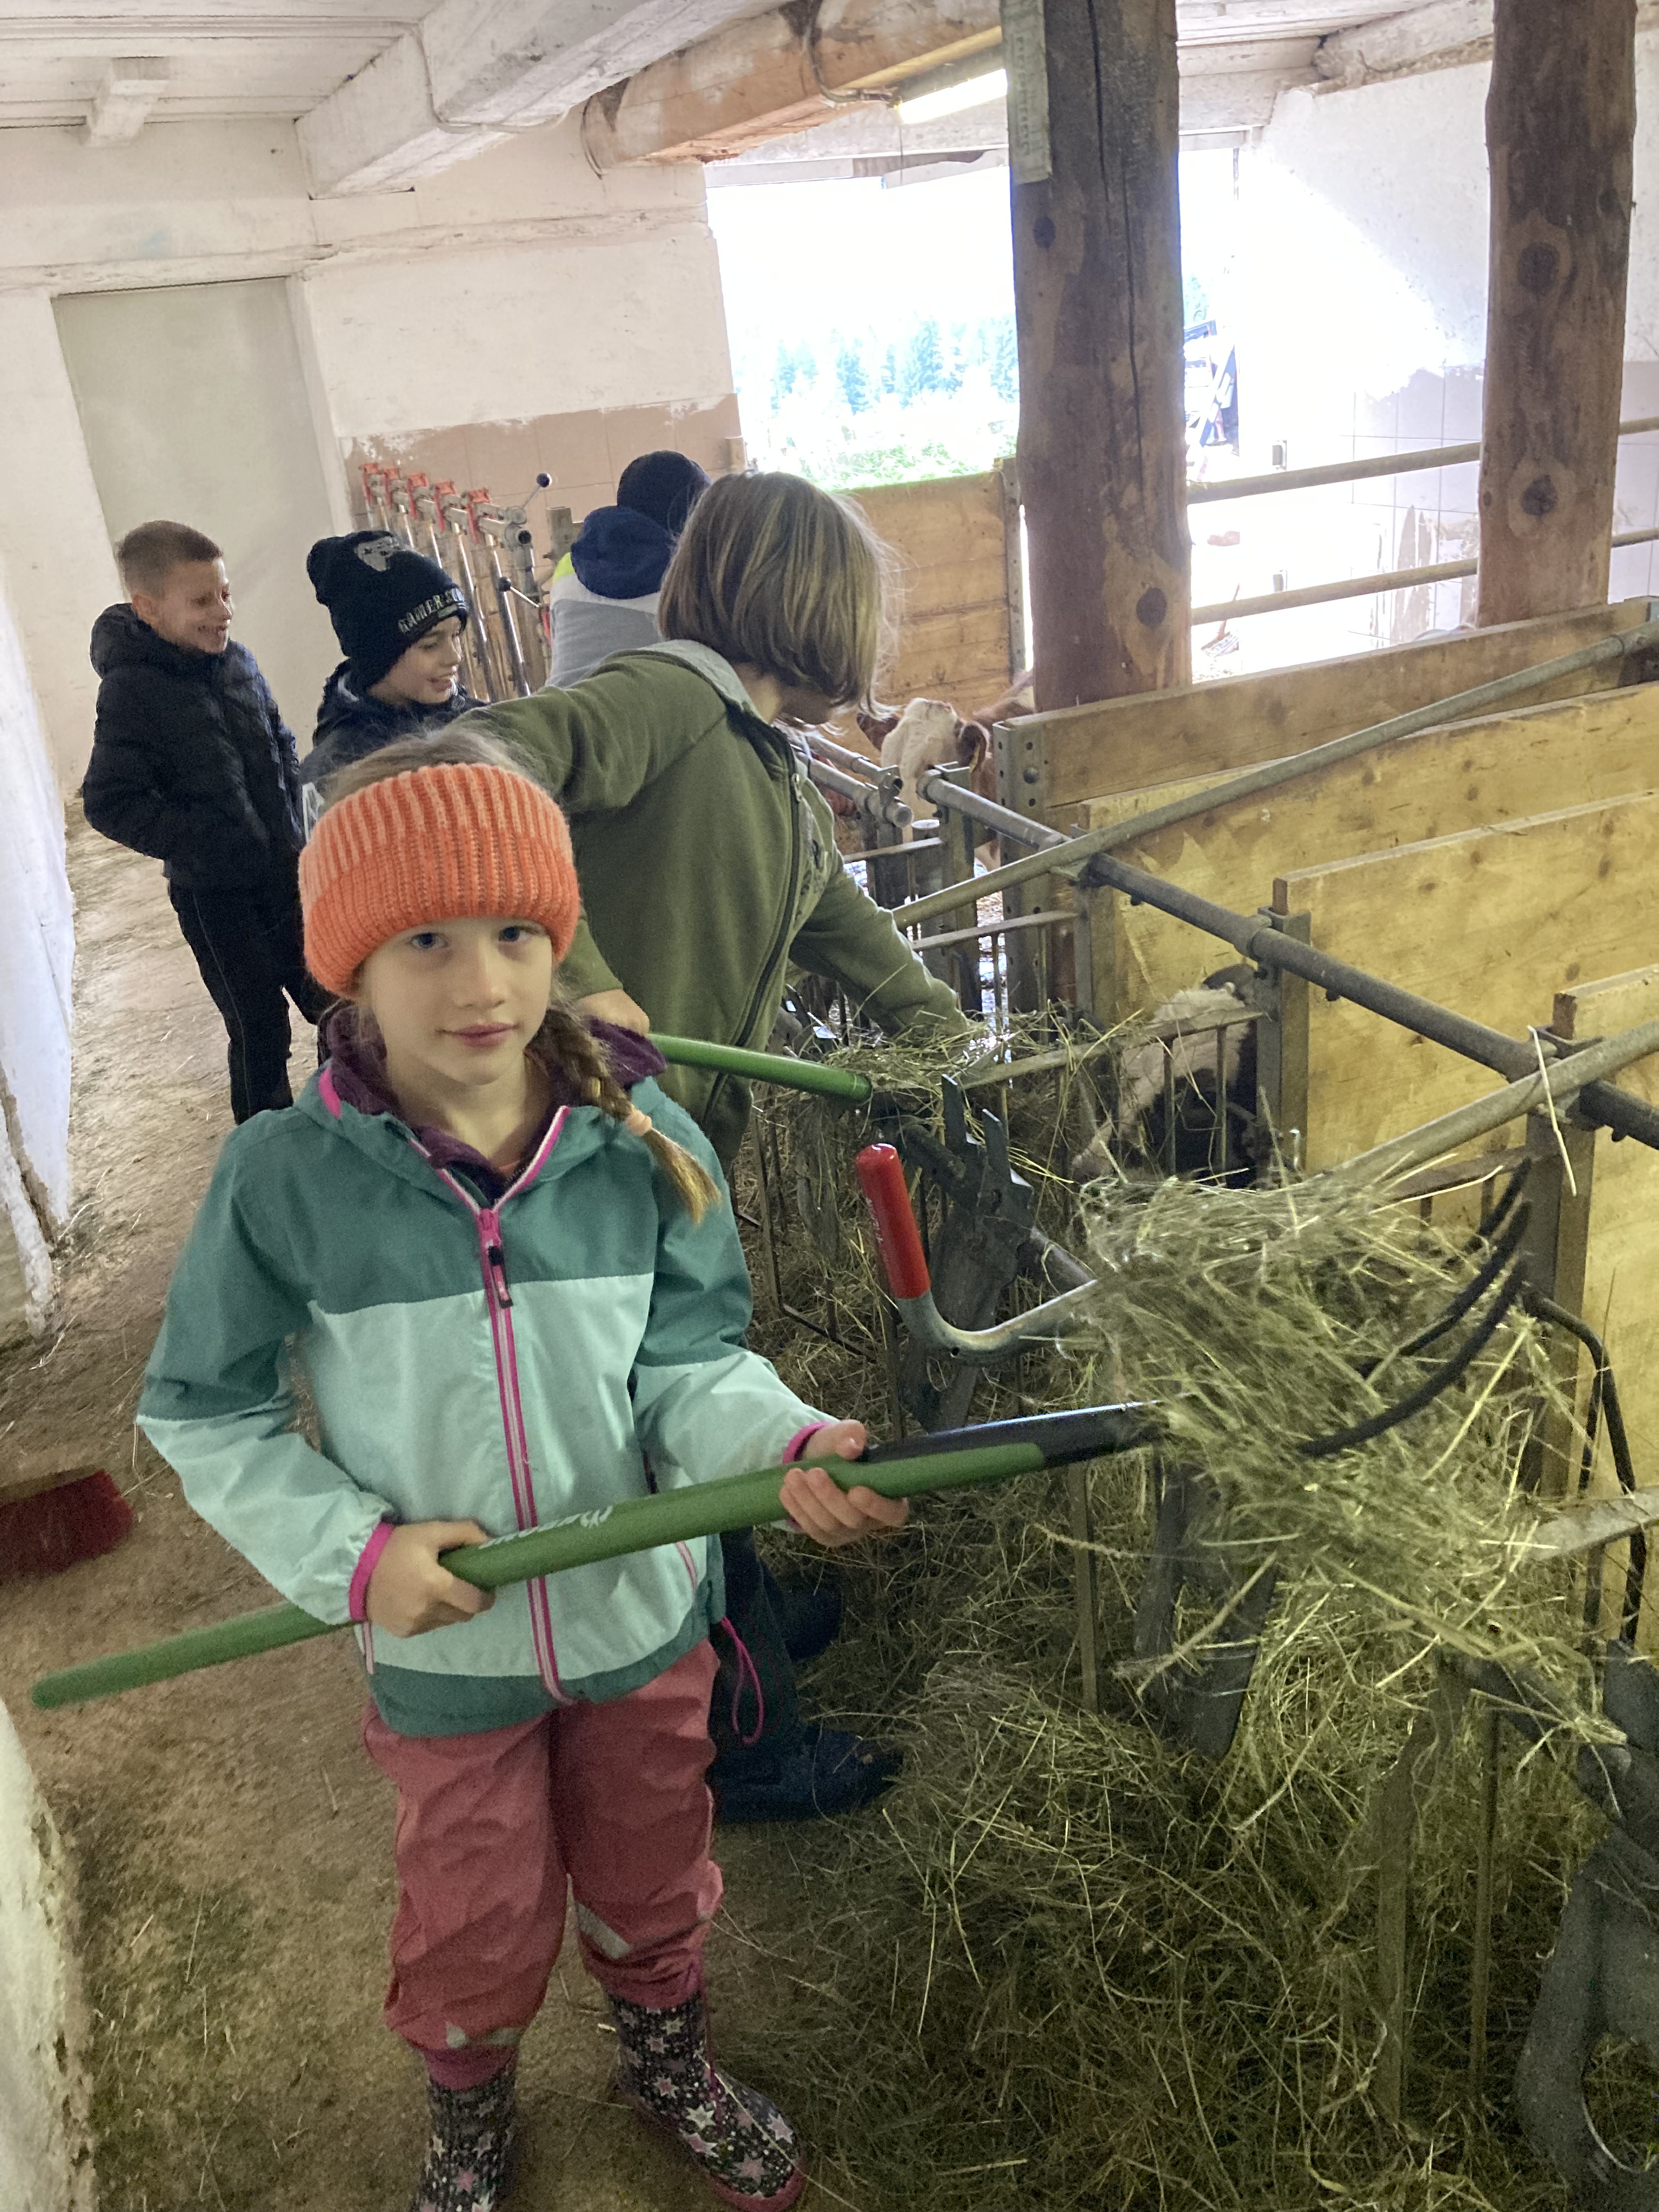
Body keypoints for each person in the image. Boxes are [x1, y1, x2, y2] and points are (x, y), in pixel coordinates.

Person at [137, 736, 906, 2212]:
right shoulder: (285, 1182)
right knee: (473, 1910)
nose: (480, 981)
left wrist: (784, 1447)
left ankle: (666, 2060)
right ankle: (472, 2109)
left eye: (513, 931)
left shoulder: (642, 1143)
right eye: (424, 941)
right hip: (450, 1651)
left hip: (638, 1622)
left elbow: (691, 1369)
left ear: (558, 938)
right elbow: (201, 1407)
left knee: (653, 1868)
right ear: (349, 966)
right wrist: (355, 1555)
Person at [462, 468, 974, 1824]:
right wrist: (576, 972)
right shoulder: (667, 701)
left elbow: (836, 921)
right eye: (862, 612)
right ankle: (749, 1737)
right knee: (669, 1417)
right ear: (812, 608)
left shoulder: (770, 763)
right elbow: (484, 757)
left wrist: (948, 1039)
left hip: (668, 1164)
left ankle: (741, 1618)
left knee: (693, 1389)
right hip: (588, 1158)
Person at [83, 519, 328, 1123]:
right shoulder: (132, 691)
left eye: (224, 593)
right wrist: (204, 841)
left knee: (335, 1003)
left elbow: (280, 739)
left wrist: (296, 826)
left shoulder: (239, 662)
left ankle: (346, 1119)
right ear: (148, 608)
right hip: (215, 897)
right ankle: (264, 1149)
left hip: (284, 875)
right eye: (201, 601)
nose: (223, 612)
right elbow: (109, 801)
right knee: (260, 1027)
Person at [301, 531, 476, 829]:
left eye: (456, 635)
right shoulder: (336, 774)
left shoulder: (482, 722)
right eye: (430, 644)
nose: (454, 657)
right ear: (378, 655)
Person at [547, 449, 709, 686]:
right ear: (690, 517)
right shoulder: (689, 580)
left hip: (558, 701)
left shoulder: (569, 564)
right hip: (634, 706)